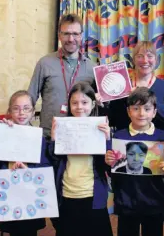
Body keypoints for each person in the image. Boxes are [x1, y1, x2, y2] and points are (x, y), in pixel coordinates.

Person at [0, 90, 53, 236]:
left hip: (30, 192)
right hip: (8, 190)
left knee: (29, 230)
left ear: (33, 111)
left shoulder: (38, 137)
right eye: (16, 108)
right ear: (9, 111)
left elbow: (46, 166)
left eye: (26, 108)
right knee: (13, 230)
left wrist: (29, 169)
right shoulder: (2, 132)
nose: (21, 113)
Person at [50, 82, 113, 236]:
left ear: (93, 104)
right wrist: (53, 139)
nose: (79, 107)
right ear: (69, 105)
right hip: (67, 193)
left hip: (92, 195)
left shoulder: (100, 128)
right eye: (74, 103)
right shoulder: (62, 127)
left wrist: (107, 139)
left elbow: (110, 165)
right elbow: (54, 161)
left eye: (84, 102)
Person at [105, 87, 164, 236]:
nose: (141, 114)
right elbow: (114, 173)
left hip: (154, 202)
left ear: (154, 112)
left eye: (147, 109)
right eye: (136, 108)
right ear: (128, 111)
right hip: (126, 202)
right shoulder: (119, 136)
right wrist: (109, 163)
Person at [28, 13, 96, 138]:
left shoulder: (92, 68)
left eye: (75, 34)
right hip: (50, 135)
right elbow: (29, 99)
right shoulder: (44, 63)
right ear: (59, 35)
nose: (71, 39)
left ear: (81, 36)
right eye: (66, 34)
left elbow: (100, 102)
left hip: (81, 136)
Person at [108, 41, 164, 131]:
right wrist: (103, 104)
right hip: (125, 141)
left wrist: (148, 100)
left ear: (156, 60)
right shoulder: (121, 86)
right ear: (134, 60)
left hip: (157, 142)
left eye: (149, 56)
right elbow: (112, 121)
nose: (145, 60)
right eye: (140, 56)